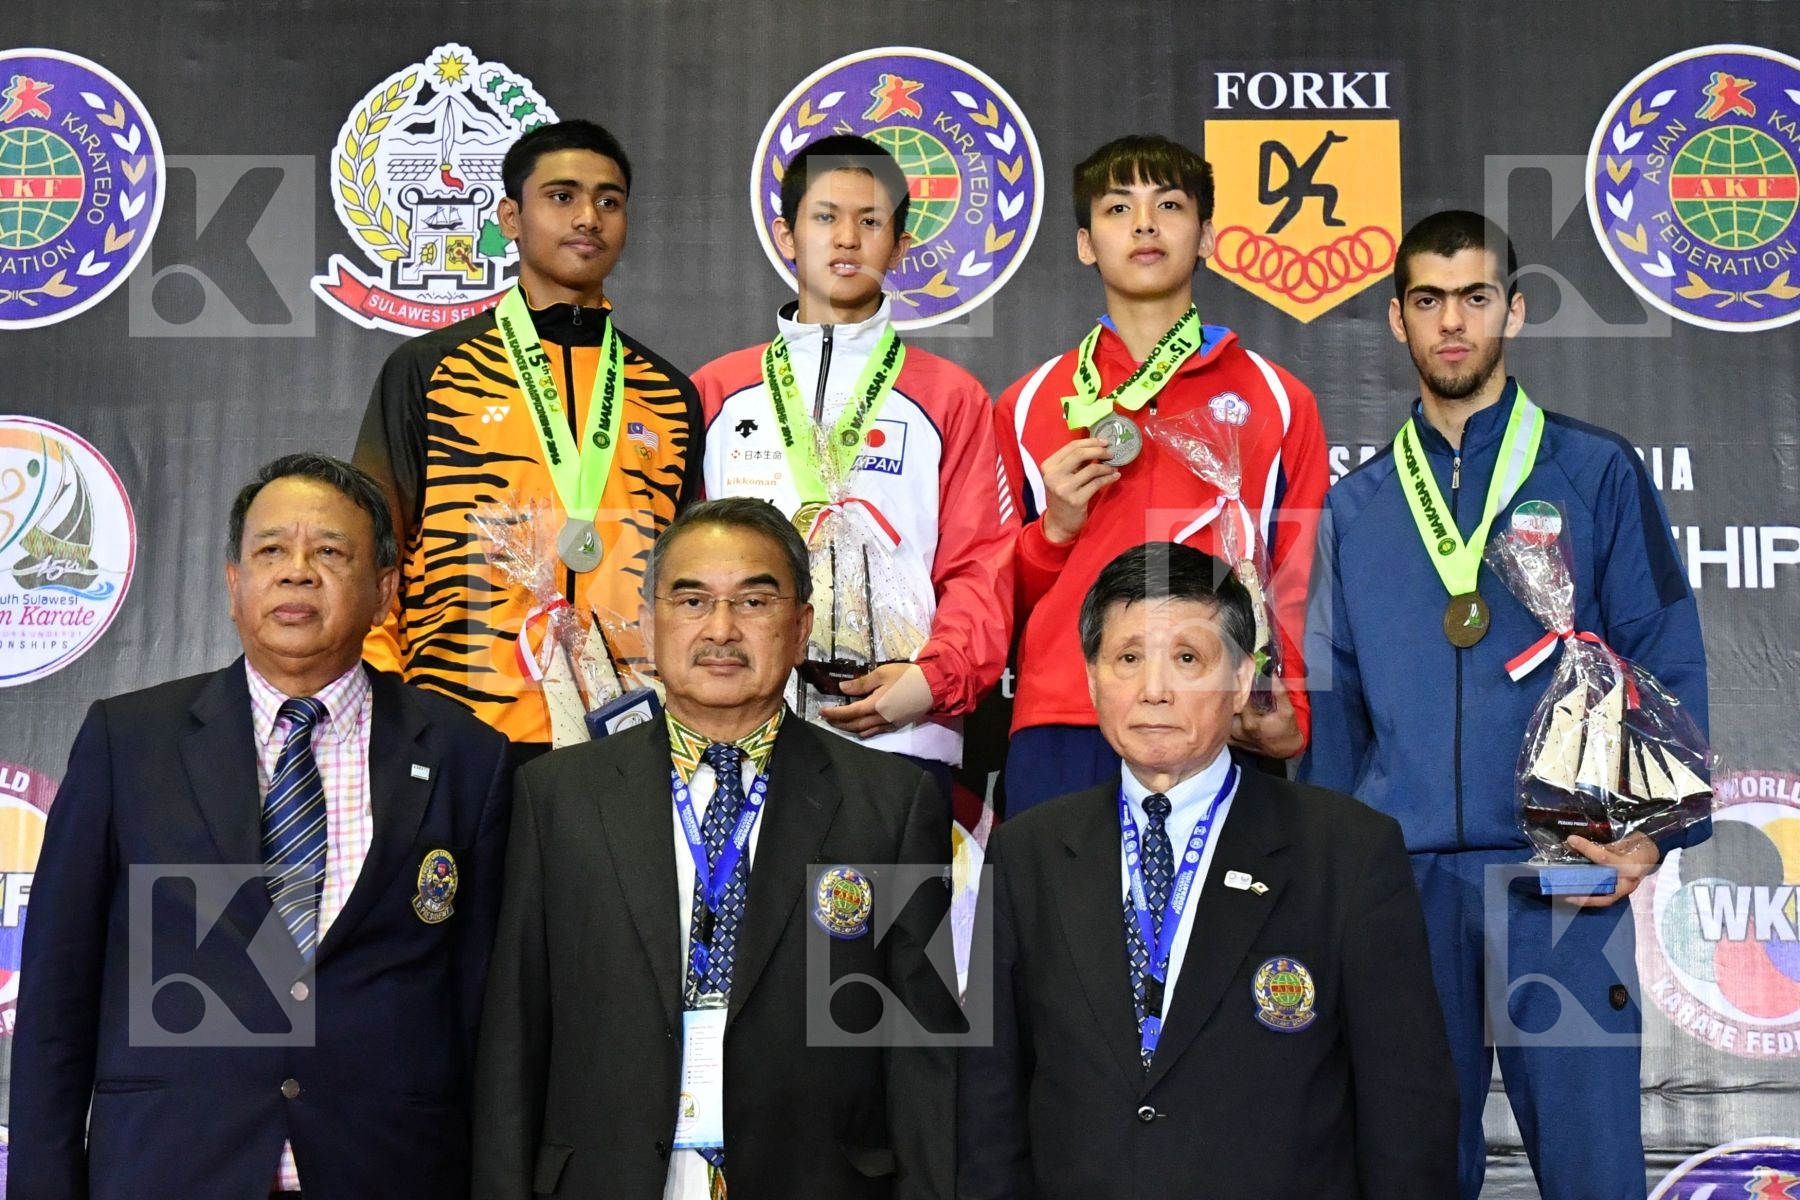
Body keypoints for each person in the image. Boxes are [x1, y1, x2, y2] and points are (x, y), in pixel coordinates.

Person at [1299, 210, 1711, 1199]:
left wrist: (1653, 835)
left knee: (1592, 1164)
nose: (1453, 322)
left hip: (1563, 873)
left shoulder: (1594, 468)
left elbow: (1666, 652)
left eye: (1476, 298)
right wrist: (1333, 875)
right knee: (1409, 1170)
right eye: (1429, 301)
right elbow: (1334, 706)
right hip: (1402, 887)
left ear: (1514, 311)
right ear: (1397, 320)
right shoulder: (1356, 508)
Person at [9, 453, 513, 1199]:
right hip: (173, 1170)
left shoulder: (468, 757)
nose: (298, 572)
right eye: (271, 550)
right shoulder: (130, 741)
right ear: (233, 584)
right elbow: (56, 995)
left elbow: (489, 1011)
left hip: (391, 1168)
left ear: (384, 591)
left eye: (330, 552)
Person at [472, 496, 958, 1200]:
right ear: (648, 623)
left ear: (801, 629)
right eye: (692, 599)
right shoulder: (554, 798)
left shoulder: (894, 801)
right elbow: (512, 1038)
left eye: (754, 601)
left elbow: (925, 1051)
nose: (721, 629)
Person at [958, 542, 1458, 1199]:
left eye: (1188, 659)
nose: (1154, 690)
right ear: (1091, 679)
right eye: (1128, 659)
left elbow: (1408, 1110)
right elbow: (987, 1099)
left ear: (1243, 679)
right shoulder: (1028, 853)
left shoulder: (1348, 853)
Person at [995, 134, 1329, 815]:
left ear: (1207, 236)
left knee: (1227, 921)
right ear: (1086, 242)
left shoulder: (1277, 397)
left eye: (1168, 204)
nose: (1144, 224)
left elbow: (1299, 572)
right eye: (1118, 209)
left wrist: (1286, 693)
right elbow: (993, 595)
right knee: (1061, 923)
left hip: (1223, 716)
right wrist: (1054, 531)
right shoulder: (1028, 402)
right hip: (1066, 721)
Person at [355, 118, 703, 756]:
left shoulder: (668, 393)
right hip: (460, 721)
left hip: (625, 725)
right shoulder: (432, 369)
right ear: (511, 217)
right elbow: (372, 548)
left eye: (609, 201)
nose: (589, 218)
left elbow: (684, 576)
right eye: (562, 196)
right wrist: (386, 699)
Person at [693, 135, 1015, 801]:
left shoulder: (952, 396)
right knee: (742, 907)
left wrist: (933, 680)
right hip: (737, 728)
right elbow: (680, 573)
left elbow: (982, 565)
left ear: (899, 247)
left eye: (870, 222)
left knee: (893, 907)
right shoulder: (716, 392)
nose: (847, 238)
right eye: (824, 217)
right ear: (785, 235)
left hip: (902, 729)